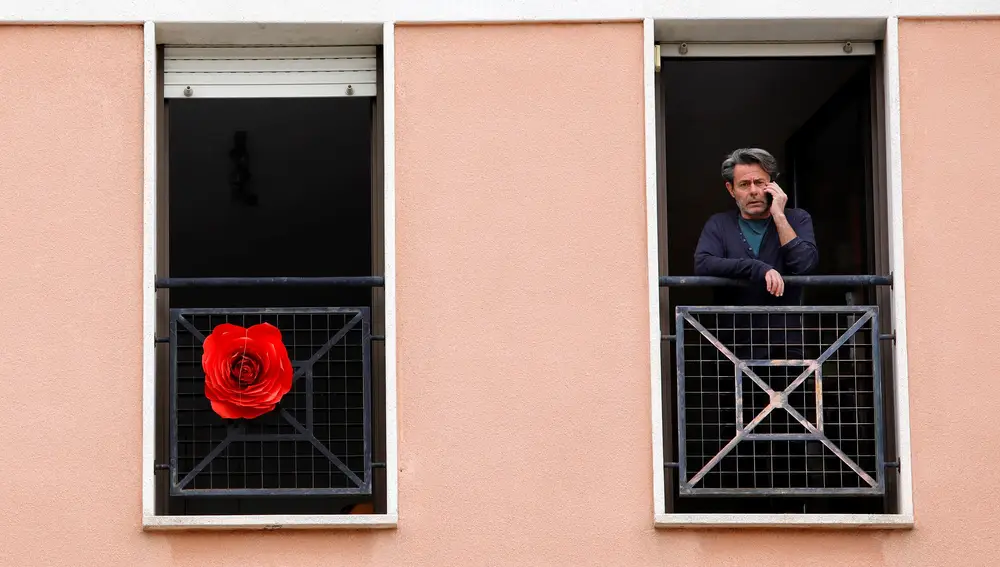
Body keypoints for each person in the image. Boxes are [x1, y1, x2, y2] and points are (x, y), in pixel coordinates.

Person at [694, 147, 819, 305]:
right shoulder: (719, 224)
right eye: (744, 185)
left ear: (773, 185)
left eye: (759, 183)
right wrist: (755, 268)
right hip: (732, 328)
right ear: (731, 189)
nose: (753, 191)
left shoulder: (797, 218)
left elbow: (804, 265)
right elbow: (703, 264)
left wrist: (779, 217)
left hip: (784, 327)